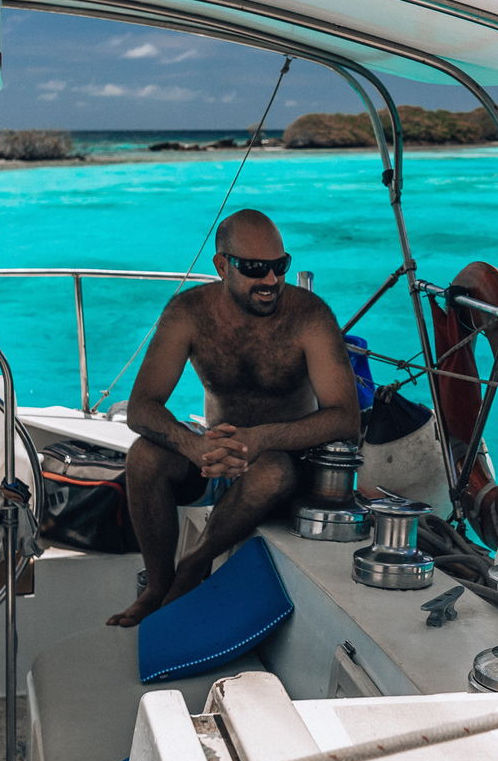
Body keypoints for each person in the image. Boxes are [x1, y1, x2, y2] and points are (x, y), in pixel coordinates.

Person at [107, 209, 358, 627]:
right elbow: (142, 406)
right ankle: (157, 585)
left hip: (285, 458)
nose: (271, 281)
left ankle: (194, 565)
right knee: (143, 456)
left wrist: (259, 439)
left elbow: (345, 419)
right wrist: (195, 445)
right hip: (214, 455)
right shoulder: (189, 312)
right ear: (222, 265)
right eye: (255, 269)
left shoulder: (309, 316)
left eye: (280, 267)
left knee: (272, 471)